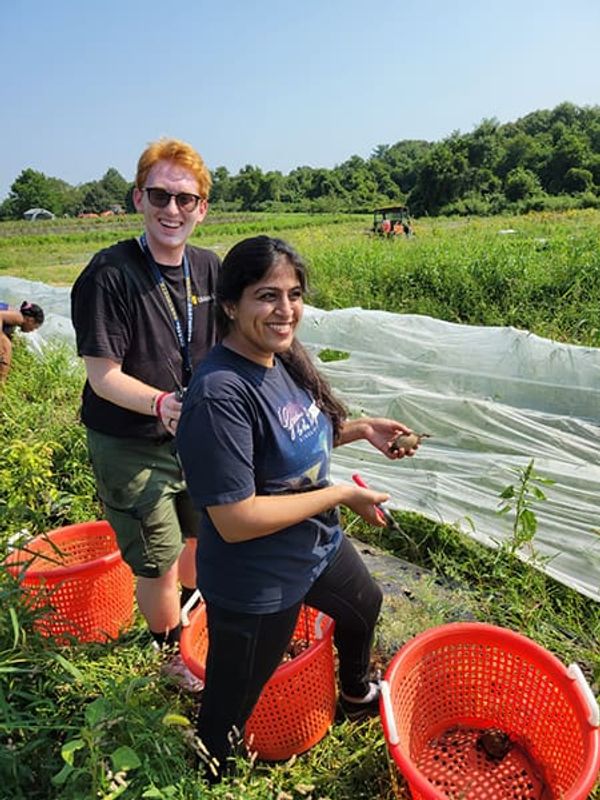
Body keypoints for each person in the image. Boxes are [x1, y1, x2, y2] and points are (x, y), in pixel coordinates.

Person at [176, 235, 418, 780]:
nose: (285, 311)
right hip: (255, 581)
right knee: (231, 702)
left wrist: (362, 429)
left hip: (314, 547)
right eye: (267, 296)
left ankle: (355, 694)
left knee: (365, 605)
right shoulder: (220, 394)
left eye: (294, 294)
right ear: (232, 305)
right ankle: (217, 774)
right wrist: (341, 494)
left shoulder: (280, 358)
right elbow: (234, 522)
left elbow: (298, 437)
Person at [70, 138, 220, 690]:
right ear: (138, 198)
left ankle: (191, 617)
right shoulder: (110, 274)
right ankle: (168, 653)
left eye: (186, 199)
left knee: (199, 535)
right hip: (131, 439)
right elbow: (102, 376)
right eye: (159, 195)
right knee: (156, 557)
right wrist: (161, 403)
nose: (172, 210)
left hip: (192, 437)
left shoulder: (208, 269)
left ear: (203, 207)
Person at [0, 301, 45, 383]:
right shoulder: (19, 317)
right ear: (30, 320)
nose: (32, 330)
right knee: (6, 346)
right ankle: (2, 384)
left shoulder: (13, 323)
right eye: (34, 327)